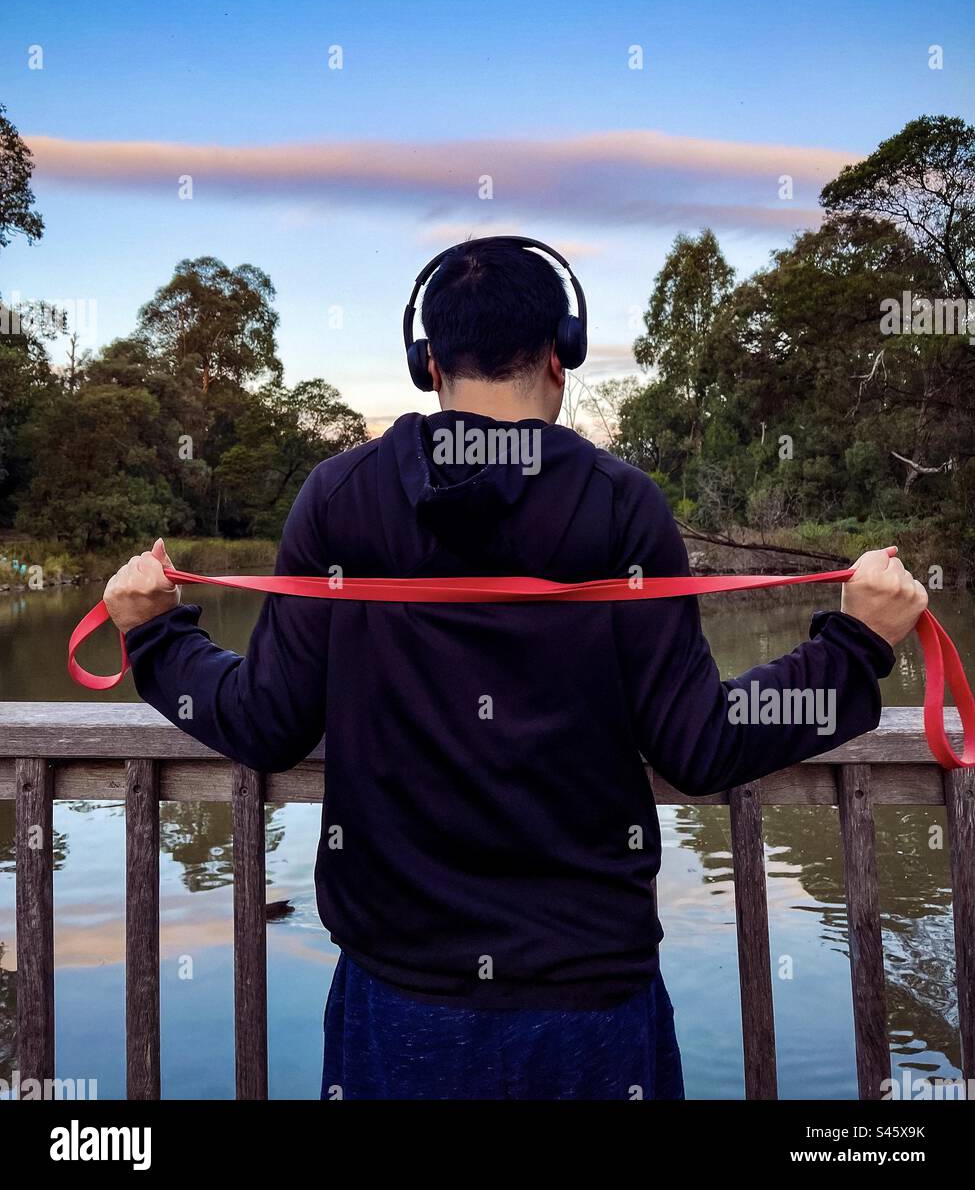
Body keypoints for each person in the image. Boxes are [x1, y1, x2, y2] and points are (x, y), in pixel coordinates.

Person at [104, 236, 928, 1101]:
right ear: (558, 355)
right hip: (590, 996)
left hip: (401, 997)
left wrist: (157, 640)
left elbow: (266, 722)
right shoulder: (618, 502)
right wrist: (855, 647)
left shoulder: (341, 496)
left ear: (427, 363)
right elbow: (698, 743)